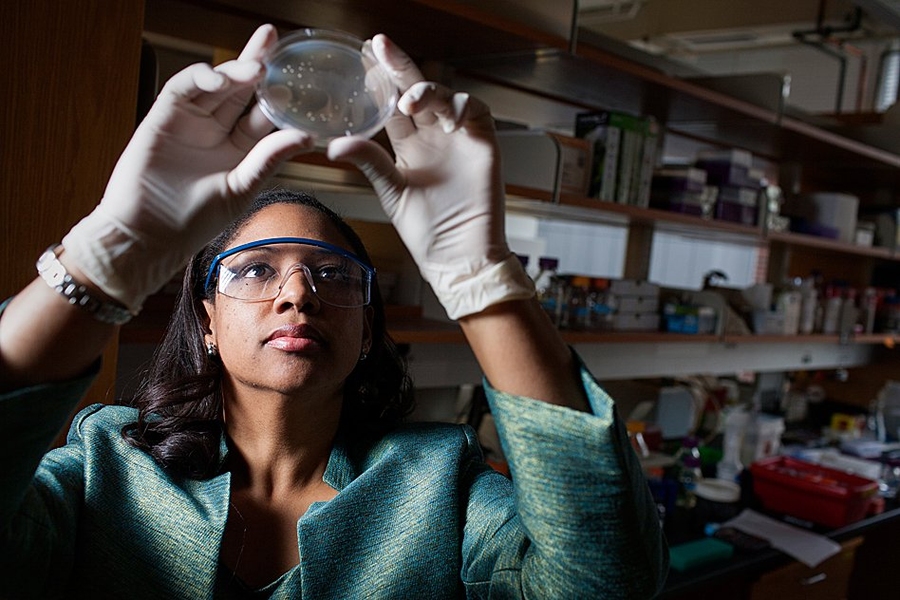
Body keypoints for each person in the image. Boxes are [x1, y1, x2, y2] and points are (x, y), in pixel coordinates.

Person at [0, 24, 668, 598]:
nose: (298, 295)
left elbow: (605, 581)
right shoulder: (104, 467)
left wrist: (482, 276)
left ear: (368, 327)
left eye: (331, 276)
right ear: (205, 320)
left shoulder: (439, 485)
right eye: (257, 270)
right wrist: (108, 250)